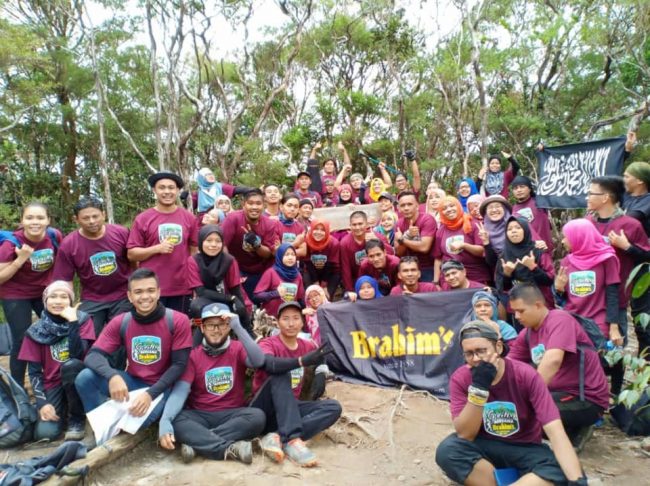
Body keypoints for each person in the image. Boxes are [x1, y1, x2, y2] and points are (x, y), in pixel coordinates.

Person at [435, 321, 588, 486]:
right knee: (448, 451)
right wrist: (480, 388)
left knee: (566, 470)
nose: (476, 359)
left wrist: (576, 480)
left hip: (524, 447)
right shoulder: (461, 378)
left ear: (498, 347)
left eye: (481, 351)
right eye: (469, 354)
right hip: (485, 445)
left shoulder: (526, 375)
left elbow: (555, 431)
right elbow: (466, 434)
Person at [75, 268, 192, 430]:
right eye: (138, 292)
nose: (145, 296)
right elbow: (93, 356)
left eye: (150, 290)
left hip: (164, 387)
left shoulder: (178, 320)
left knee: (137, 421)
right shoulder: (121, 321)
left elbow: (179, 365)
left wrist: (150, 394)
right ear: (130, 296)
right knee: (85, 377)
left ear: (158, 293)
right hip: (134, 382)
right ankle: (100, 426)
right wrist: (113, 375)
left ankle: (115, 421)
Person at [158, 304, 266, 464]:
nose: (216, 330)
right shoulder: (193, 356)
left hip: (232, 414)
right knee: (176, 420)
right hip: (200, 415)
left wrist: (238, 327)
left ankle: (198, 443)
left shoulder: (237, 348)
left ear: (228, 326)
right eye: (210, 325)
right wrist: (165, 420)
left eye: (221, 324)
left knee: (257, 417)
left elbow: (259, 360)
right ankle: (230, 447)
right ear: (202, 328)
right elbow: (181, 391)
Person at [508, 284, 609, 450]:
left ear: (538, 305)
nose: (517, 316)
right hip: (556, 394)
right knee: (507, 411)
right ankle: (568, 429)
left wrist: (527, 397)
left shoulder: (559, 319)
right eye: (514, 312)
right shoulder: (528, 332)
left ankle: (574, 431)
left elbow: (553, 360)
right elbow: (509, 365)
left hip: (585, 399)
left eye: (521, 311)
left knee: (521, 415)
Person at [251, 301, 342, 467]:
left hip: (290, 410)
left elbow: (320, 357)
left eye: (295, 318)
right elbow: (268, 363)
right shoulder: (268, 343)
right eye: (285, 319)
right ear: (277, 322)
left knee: (333, 408)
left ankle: (276, 436)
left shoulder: (306, 345)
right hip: (264, 410)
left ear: (302, 322)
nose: (291, 323)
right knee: (280, 375)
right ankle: (292, 440)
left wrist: (321, 371)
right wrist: (300, 361)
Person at [585, 175, 650, 393]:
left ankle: (615, 394)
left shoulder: (629, 225)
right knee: (590, 348)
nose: (588, 197)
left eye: (591, 193)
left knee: (617, 346)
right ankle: (594, 392)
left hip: (617, 298)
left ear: (606, 197)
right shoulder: (588, 223)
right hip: (587, 297)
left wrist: (627, 246)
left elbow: (646, 256)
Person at [18, 281, 95, 441]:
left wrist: (73, 323)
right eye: (53, 296)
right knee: (45, 434)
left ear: (71, 301)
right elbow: (34, 372)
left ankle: (77, 419)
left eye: (63, 297)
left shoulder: (83, 320)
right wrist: (42, 403)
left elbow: (77, 354)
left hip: (80, 378)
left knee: (70, 365)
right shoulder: (34, 331)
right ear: (45, 301)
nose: (58, 301)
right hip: (53, 383)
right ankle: (64, 407)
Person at [0, 201, 62, 384]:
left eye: (40, 218)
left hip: (44, 291)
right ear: (22, 221)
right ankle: (18, 389)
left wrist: (59, 289)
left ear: (48, 220)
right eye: (29, 218)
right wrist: (21, 259)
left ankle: (54, 379)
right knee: (22, 337)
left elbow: (62, 262)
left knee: (56, 331)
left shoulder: (54, 236)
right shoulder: (11, 243)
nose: (35, 222)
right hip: (15, 293)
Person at [53, 196, 132, 337]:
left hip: (122, 294)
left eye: (95, 216)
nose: (91, 221)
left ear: (104, 214)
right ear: (76, 219)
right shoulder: (69, 244)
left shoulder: (121, 233)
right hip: (92, 298)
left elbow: (134, 261)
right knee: (88, 337)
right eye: (86, 218)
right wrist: (67, 306)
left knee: (120, 338)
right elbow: (65, 279)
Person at [127, 172, 198, 314]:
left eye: (171, 188)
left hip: (181, 287)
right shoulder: (143, 219)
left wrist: (195, 284)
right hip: (151, 288)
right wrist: (157, 248)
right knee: (152, 331)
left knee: (179, 327)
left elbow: (194, 252)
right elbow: (131, 254)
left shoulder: (189, 218)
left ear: (177, 191)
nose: (167, 192)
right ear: (154, 190)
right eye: (162, 188)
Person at [555, 219, 622, 345]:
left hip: (598, 322)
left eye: (565, 237)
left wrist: (614, 327)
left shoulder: (606, 259)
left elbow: (613, 293)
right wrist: (559, 289)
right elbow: (562, 299)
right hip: (572, 320)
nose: (562, 241)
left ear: (579, 237)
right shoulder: (566, 262)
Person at [187, 225, 252, 334]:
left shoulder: (229, 260)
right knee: (195, 306)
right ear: (201, 241)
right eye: (209, 240)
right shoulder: (193, 261)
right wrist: (231, 298)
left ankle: (241, 333)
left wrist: (242, 311)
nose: (213, 245)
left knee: (240, 309)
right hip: (206, 300)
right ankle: (203, 333)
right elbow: (201, 292)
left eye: (218, 241)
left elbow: (236, 289)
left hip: (227, 301)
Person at [221, 189, 280, 299]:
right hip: (237, 267)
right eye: (250, 203)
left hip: (260, 270)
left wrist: (256, 244)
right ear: (244, 204)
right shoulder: (233, 218)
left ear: (263, 205)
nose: (254, 207)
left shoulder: (269, 224)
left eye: (258, 204)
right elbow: (222, 244)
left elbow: (268, 253)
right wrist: (232, 270)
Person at [495, 216, 555, 310]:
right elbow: (502, 289)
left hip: (541, 305)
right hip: (518, 309)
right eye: (509, 229)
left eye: (518, 228)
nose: (513, 231)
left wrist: (533, 267)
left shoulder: (538, 251)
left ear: (526, 230)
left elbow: (550, 280)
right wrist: (507, 273)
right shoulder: (504, 256)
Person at [622, 161, 650, 358]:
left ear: (639, 180)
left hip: (644, 270)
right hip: (627, 267)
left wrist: (627, 247)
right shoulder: (626, 197)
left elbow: (631, 220)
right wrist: (626, 150)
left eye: (627, 176)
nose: (623, 179)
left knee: (643, 321)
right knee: (636, 319)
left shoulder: (648, 202)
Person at [433, 197, 492, 287]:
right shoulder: (440, 231)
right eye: (444, 209)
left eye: (452, 206)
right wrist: (436, 282)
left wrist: (464, 245)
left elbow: (482, 251)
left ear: (459, 206)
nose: (449, 210)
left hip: (475, 277)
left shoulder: (473, 224)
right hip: (450, 279)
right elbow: (438, 258)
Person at [339, 211, 392, 292]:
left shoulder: (377, 236)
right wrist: (350, 290)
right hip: (358, 282)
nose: (357, 227)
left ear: (366, 224)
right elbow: (346, 269)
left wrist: (377, 240)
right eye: (354, 225)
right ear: (350, 226)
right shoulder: (345, 243)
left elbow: (391, 254)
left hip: (379, 279)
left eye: (360, 224)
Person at [395, 191, 437, 282]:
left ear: (417, 206)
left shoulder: (427, 219)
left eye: (409, 204)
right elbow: (399, 252)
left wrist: (403, 239)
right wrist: (406, 237)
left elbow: (424, 247)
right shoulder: (399, 223)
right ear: (399, 208)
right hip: (408, 267)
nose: (406, 208)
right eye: (403, 205)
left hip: (428, 267)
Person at [254, 244, 305, 317]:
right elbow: (257, 296)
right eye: (286, 255)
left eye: (293, 255)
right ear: (280, 256)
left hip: (290, 318)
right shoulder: (271, 272)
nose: (290, 258)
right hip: (271, 318)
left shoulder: (297, 275)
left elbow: (300, 299)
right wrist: (276, 293)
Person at [511, 175, 554, 253]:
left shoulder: (540, 203)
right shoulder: (512, 210)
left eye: (522, 186)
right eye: (515, 188)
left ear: (530, 188)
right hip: (527, 252)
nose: (519, 190)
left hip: (545, 250)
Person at [301, 220, 341, 299]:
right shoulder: (306, 240)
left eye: (322, 230)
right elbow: (308, 262)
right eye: (316, 229)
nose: (318, 232)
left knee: (325, 298)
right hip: (311, 271)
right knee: (311, 296)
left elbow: (330, 264)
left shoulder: (334, 243)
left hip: (330, 272)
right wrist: (316, 283)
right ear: (311, 229)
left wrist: (324, 285)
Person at [477, 195, 512, 267]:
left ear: (505, 209)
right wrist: (486, 242)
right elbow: (492, 263)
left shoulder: (517, 224)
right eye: (490, 207)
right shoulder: (484, 231)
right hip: (502, 274)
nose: (494, 210)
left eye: (498, 206)